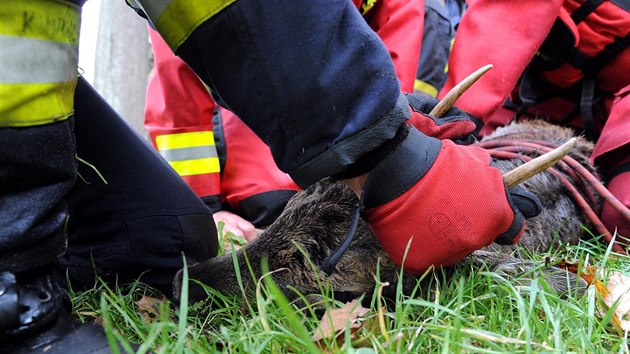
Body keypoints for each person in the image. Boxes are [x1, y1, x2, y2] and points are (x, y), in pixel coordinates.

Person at [1, 0, 541, 352]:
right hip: (259, 183)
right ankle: (16, 296)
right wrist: (213, 204)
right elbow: (184, 101)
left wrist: (392, 151)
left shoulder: (406, 12)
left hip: (310, 177)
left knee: (155, 241)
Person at [143, 0, 424, 240]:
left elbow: (179, 84)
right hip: (279, 192)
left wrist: (203, 207)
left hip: (276, 188)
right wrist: (205, 211)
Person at [440, 0, 630, 241]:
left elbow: (500, 24)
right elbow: (493, 34)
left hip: (619, 103)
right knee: (477, 155)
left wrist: (453, 124)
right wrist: (443, 135)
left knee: (623, 220)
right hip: (544, 99)